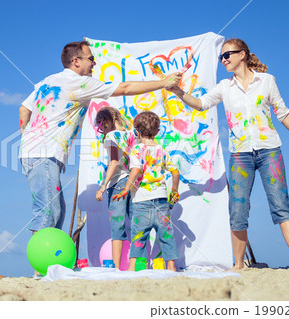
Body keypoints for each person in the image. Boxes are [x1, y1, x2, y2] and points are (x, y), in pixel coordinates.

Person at [168, 38, 289, 270]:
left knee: (281, 204)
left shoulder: (267, 81)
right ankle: (239, 265)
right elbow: (200, 104)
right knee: (237, 209)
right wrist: (178, 91)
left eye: (228, 55)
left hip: (270, 151)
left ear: (243, 55)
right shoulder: (223, 87)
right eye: (222, 57)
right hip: (240, 155)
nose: (224, 59)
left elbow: (283, 113)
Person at [19, 40, 180, 235]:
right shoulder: (79, 82)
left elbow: (24, 109)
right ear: (76, 61)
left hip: (36, 151)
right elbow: (126, 88)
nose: (94, 63)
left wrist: (27, 137)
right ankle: (40, 266)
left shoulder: (48, 81)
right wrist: (164, 83)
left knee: (57, 211)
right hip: (43, 152)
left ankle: (48, 261)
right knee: (49, 211)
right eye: (91, 59)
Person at [112, 111, 180, 271]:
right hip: (162, 200)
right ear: (157, 131)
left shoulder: (137, 150)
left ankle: (132, 267)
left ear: (137, 131)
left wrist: (125, 189)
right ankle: (171, 267)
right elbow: (175, 171)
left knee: (139, 236)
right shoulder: (162, 150)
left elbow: (136, 170)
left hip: (142, 201)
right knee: (166, 236)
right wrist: (174, 191)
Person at [94, 107, 136, 269]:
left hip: (118, 183)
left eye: (100, 125)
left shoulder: (111, 136)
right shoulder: (133, 134)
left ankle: (117, 267)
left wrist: (103, 185)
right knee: (136, 225)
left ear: (106, 122)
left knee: (117, 228)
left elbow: (114, 162)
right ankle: (134, 266)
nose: (101, 130)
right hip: (133, 183)